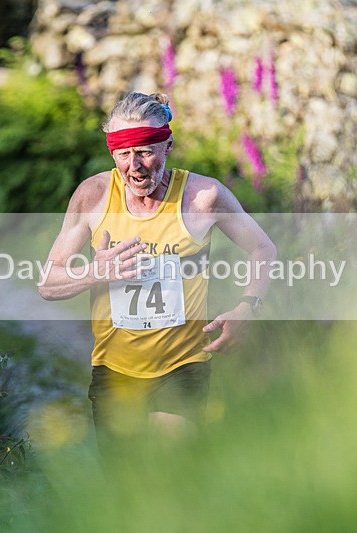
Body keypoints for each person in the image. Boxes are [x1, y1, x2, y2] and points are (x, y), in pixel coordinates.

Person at [38, 92, 277, 459]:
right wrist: (94, 273)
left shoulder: (203, 197)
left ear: (168, 145)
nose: (135, 166)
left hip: (182, 365)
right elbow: (48, 283)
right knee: (127, 491)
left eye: (146, 151)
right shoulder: (94, 196)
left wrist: (248, 307)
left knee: (170, 475)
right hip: (114, 369)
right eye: (123, 154)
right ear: (112, 154)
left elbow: (262, 248)